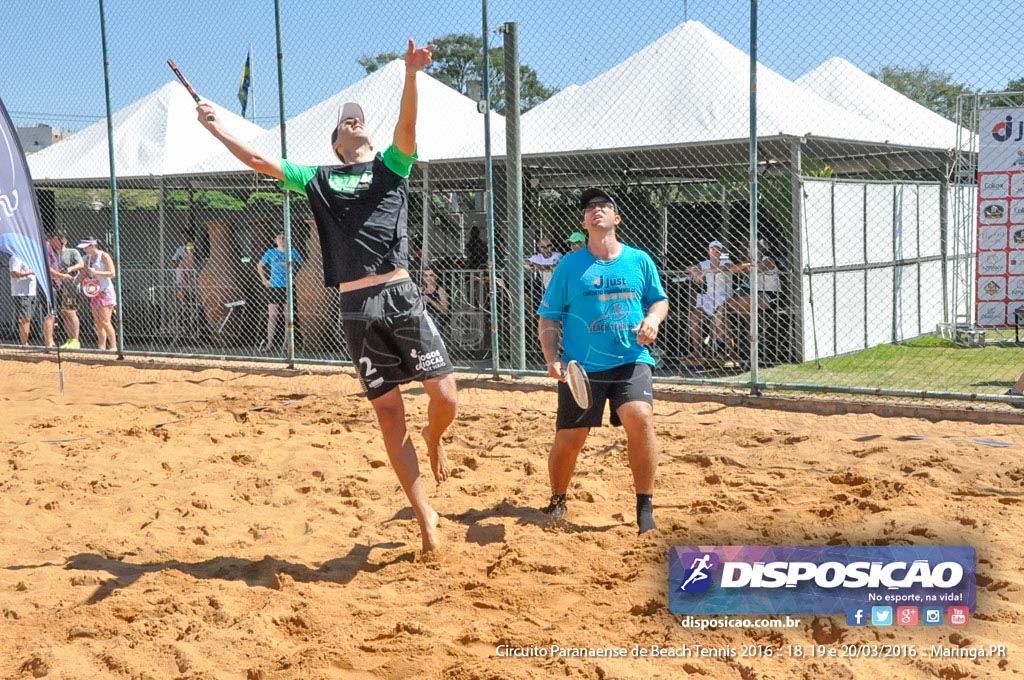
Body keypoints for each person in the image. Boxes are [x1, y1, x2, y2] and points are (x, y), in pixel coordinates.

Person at [196, 40, 456, 554]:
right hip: (357, 306)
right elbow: (256, 159)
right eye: (346, 124)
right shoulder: (316, 179)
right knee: (388, 415)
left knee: (445, 397)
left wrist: (410, 74)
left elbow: (407, 126)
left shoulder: (392, 167)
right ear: (336, 143)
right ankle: (425, 516)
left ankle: (435, 437)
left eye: (360, 121)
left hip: (400, 294)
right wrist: (214, 124)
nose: (354, 124)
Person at [537, 187, 669, 534]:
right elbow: (548, 317)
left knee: (639, 417)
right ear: (584, 222)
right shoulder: (569, 265)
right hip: (582, 367)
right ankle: (558, 499)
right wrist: (552, 359)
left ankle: (645, 508)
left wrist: (653, 319)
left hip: (631, 357)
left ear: (616, 218)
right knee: (570, 440)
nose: (596, 210)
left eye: (603, 205)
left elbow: (659, 301)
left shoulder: (639, 260)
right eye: (589, 208)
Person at [687, 240, 749, 359]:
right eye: (712, 250)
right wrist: (694, 271)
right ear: (709, 251)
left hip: (724, 297)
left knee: (719, 321)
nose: (715, 252)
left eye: (717, 250)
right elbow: (689, 267)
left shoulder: (726, 262)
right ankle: (697, 350)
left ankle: (728, 351)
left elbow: (726, 269)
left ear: (721, 252)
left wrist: (706, 272)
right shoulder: (704, 263)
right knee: (694, 317)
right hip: (709, 297)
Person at [257, 232, 303, 350]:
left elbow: (302, 265)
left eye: (283, 238)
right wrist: (264, 280)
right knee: (272, 316)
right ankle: (269, 344)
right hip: (274, 287)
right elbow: (260, 265)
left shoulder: (292, 252)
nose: (281, 240)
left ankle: (287, 344)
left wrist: (296, 278)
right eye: (279, 238)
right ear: (275, 240)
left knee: (287, 316)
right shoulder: (271, 252)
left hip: (287, 287)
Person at [78, 238, 117, 351]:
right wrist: (77, 281)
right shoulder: (86, 258)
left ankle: (113, 346)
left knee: (105, 321)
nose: (84, 250)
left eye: (86, 248)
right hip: (94, 291)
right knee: (97, 322)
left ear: (92, 246)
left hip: (105, 291)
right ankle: (101, 346)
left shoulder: (104, 256)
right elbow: (83, 273)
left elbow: (112, 273)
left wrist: (96, 273)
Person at [52, 232, 85, 349]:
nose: (55, 242)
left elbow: (81, 264)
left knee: (71, 312)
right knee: (64, 313)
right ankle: (70, 339)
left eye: (57, 240)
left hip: (71, 286)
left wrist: (69, 269)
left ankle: (76, 340)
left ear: (64, 240)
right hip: (59, 286)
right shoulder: (53, 254)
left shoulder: (72, 252)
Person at [8, 253, 38, 346]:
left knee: (28, 318)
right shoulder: (16, 257)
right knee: (25, 318)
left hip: (31, 292)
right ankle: (24, 344)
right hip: (22, 293)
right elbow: (14, 273)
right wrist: (30, 272)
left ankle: (25, 342)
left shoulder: (29, 257)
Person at [420, 267, 450, 333]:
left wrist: (430, 301)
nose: (428, 278)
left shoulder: (440, 290)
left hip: (435, 318)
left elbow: (445, 310)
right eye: (426, 275)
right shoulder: (420, 289)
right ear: (423, 277)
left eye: (431, 275)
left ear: (436, 277)